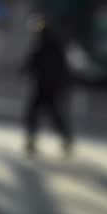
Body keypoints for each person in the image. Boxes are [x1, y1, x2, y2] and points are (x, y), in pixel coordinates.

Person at [23, 22, 74, 157]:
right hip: (51, 87)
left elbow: (32, 62)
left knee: (36, 114)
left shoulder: (44, 46)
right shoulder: (55, 46)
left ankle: (33, 141)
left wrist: (26, 69)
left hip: (46, 87)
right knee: (51, 115)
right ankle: (65, 140)